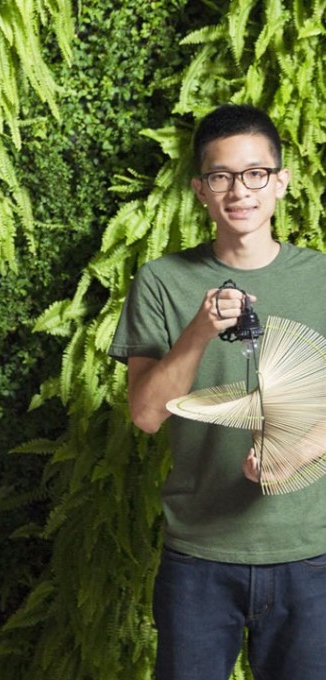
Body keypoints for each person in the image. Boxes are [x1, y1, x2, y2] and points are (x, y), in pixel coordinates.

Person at [109, 103, 326, 679]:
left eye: (255, 174)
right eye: (221, 176)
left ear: (280, 182)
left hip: (311, 555)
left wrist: (297, 452)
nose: (240, 191)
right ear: (200, 190)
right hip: (199, 558)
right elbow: (147, 415)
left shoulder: (322, 279)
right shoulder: (162, 281)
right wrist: (200, 331)